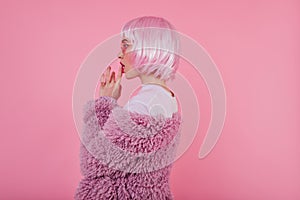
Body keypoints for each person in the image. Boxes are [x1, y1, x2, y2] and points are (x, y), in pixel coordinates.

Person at [75, 16, 182, 199]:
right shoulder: (166, 97)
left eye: (126, 45)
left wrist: (105, 103)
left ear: (148, 48)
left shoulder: (144, 102)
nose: (119, 54)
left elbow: (94, 162)